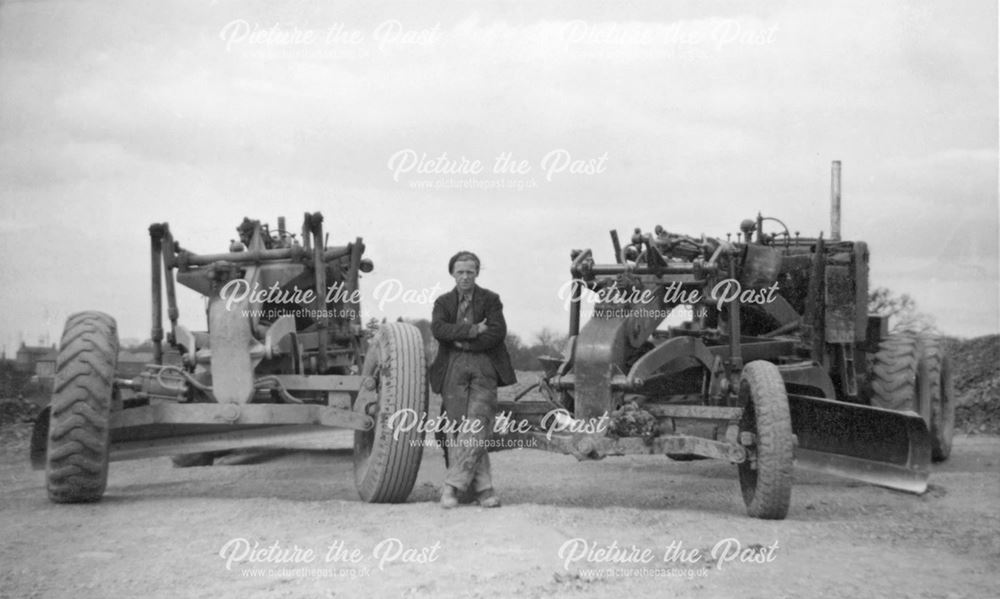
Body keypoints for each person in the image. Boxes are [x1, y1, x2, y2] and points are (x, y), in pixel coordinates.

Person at [429, 251, 516, 509]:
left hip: (484, 366)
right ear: (452, 274)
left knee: (476, 425)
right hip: (452, 369)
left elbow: (497, 333)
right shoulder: (443, 302)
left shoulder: (491, 300)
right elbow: (438, 329)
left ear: (477, 272)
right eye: (460, 272)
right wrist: (473, 330)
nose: (465, 276)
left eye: (470, 271)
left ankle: (451, 488)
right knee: (459, 428)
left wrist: (462, 342)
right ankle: (483, 490)